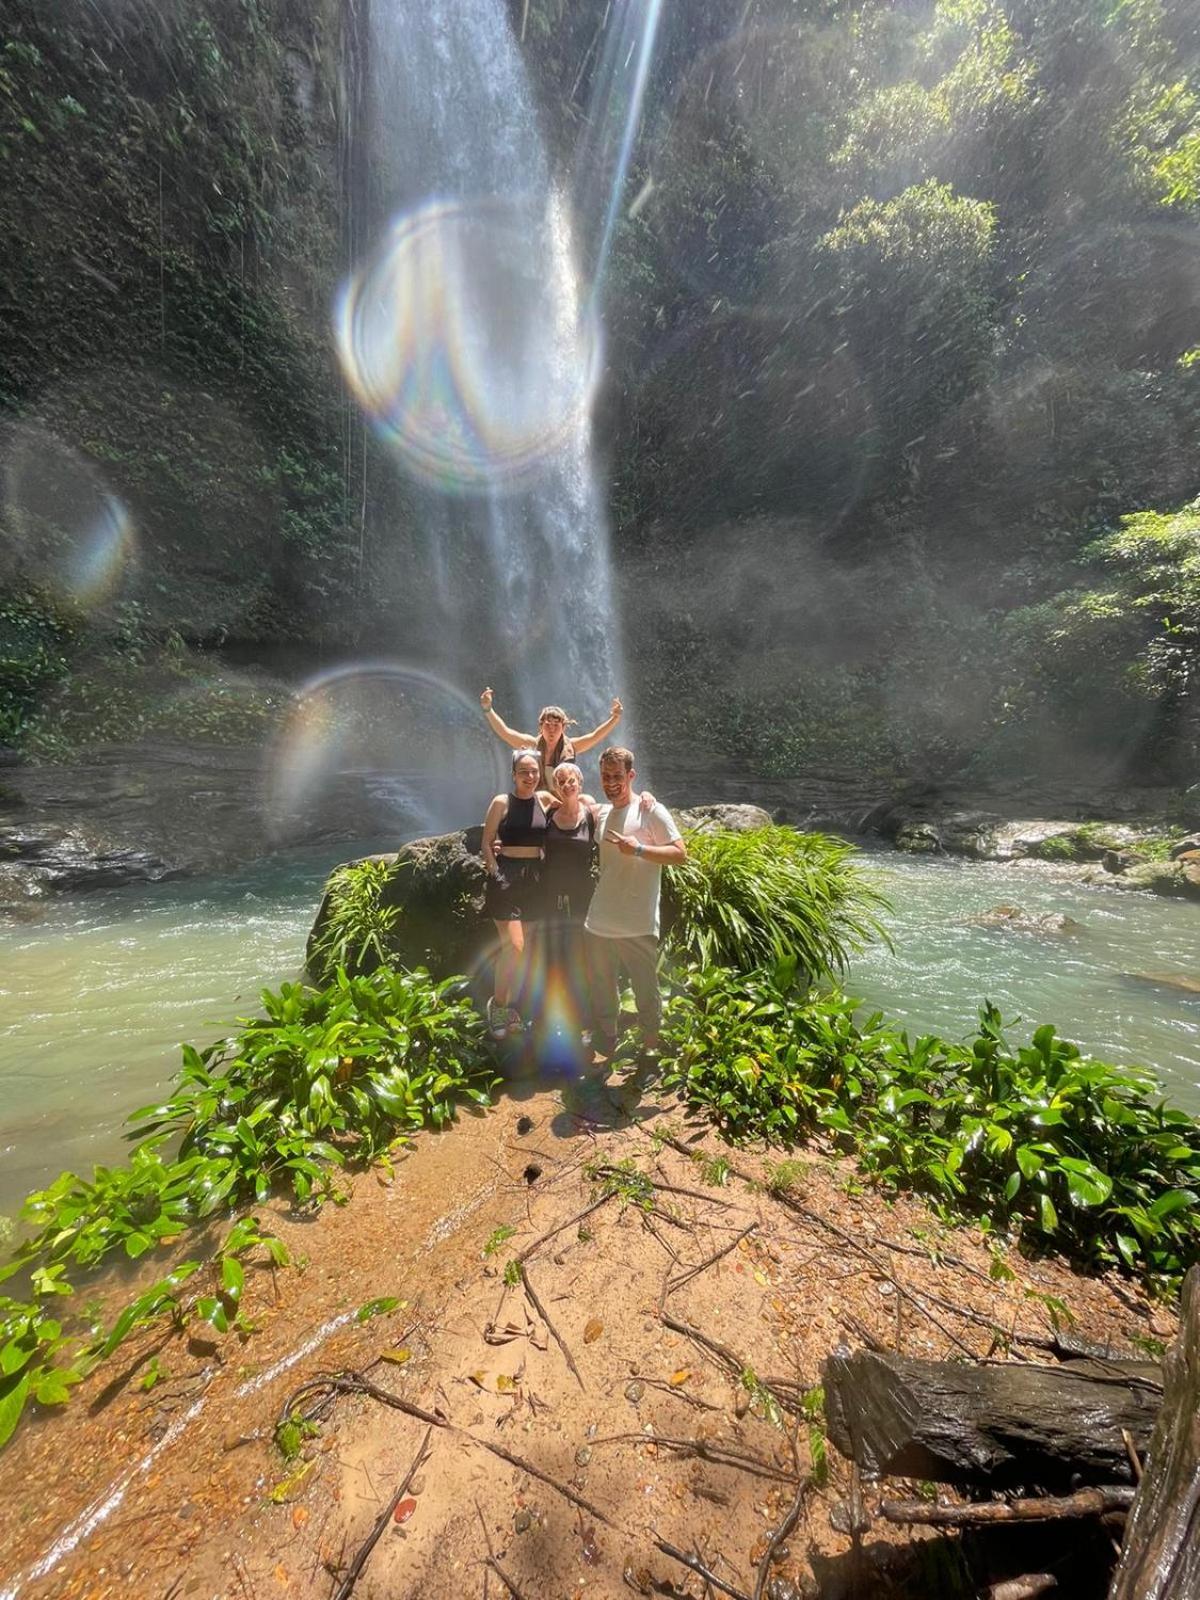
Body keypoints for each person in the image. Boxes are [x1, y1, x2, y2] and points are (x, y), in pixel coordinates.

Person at [584, 746, 686, 1062]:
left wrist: (639, 849)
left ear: (631, 776)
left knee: (646, 990)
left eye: (617, 776)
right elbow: (556, 795)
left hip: (638, 922)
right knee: (602, 984)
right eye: (605, 776)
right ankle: (609, 1041)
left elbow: (680, 854)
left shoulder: (651, 810)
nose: (611, 782)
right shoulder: (600, 812)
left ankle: (651, 1049)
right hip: (599, 919)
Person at [481, 748, 553, 1039]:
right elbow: (486, 843)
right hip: (507, 879)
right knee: (515, 947)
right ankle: (497, 1006)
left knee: (527, 951)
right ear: (513, 774)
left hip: (536, 880)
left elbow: (577, 805)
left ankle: (514, 1008)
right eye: (524, 771)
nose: (530, 776)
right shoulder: (501, 802)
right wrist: (496, 874)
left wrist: (640, 799)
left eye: (534, 771)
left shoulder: (545, 799)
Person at [479, 687, 624, 787]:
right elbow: (505, 732)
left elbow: (595, 736)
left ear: (564, 728)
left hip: (564, 799)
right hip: (538, 799)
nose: (552, 730)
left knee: (588, 801)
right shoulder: (531, 744)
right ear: (540, 727)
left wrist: (615, 718)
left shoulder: (572, 746)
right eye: (547, 725)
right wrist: (488, 709)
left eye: (556, 725)